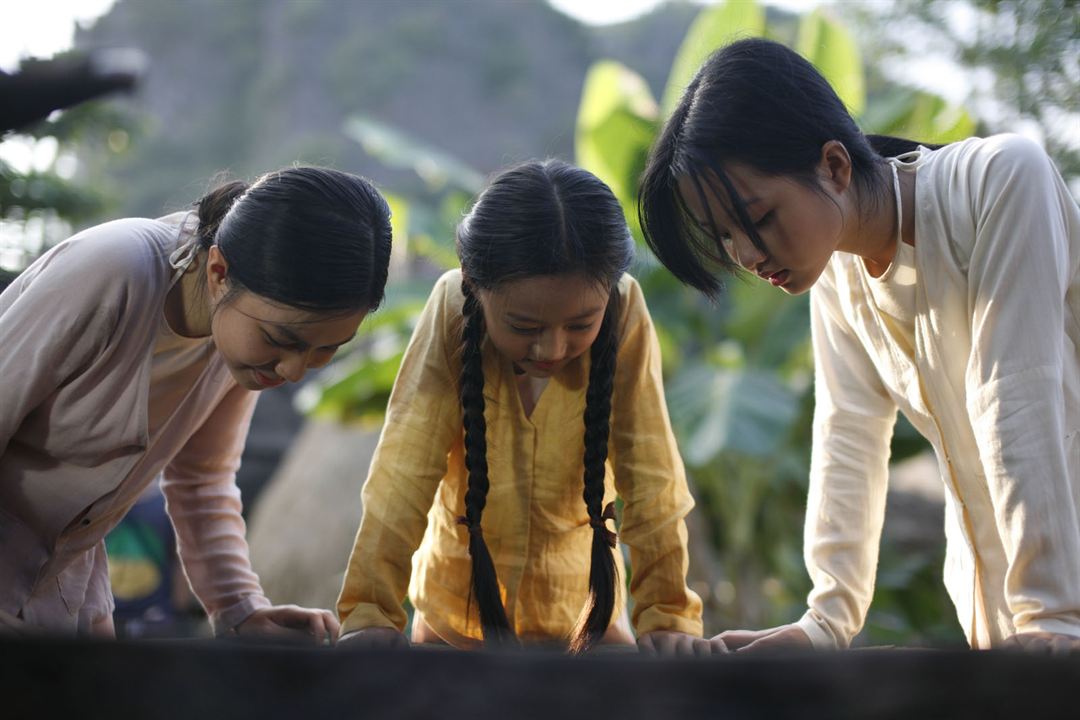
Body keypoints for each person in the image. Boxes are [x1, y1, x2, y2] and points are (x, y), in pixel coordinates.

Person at [638, 37, 1080, 654]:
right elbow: (847, 436)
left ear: (835, 165)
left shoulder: (1001, 183)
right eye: (726, 236)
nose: (745, 255)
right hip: (1008, 625)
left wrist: (1054, 615)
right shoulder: (838, 275)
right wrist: (825, 624)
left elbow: (1017, 393)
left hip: (1056, 621)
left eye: (760, 219)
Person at [0, 167, 393, 642]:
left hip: (64, 592)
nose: (293, 370)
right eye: (280, 339)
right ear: (218, 271)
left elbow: (202, 478)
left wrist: (242, 609)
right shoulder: (113, 270)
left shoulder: (238, 348)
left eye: (327, 349)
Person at [337, 160, 706, 655]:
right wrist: (370, 614)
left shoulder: (625, 313)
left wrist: (668, 616)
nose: (552, 348)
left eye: (580, 324)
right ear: (473, 282)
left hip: (583, 623)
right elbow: (402, 473)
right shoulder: (451, 308)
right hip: (453, 623)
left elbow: (651, 476)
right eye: (525, 327)